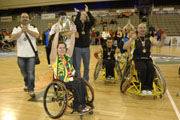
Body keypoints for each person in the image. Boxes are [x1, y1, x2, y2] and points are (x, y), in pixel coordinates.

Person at [50, 24, 90, 112]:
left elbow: (72, 44)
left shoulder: (67, 56)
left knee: (81, 81)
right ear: (57, 49)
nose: (62, 49)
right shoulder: (54, 58)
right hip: (61, 80)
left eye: (64, 48)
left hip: (69, 78)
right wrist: (57, 33)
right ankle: (77, 105)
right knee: (76, 83)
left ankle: (83, 102)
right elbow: (53, 46)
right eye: (60, 48)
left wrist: (73, 32)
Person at [123, 23, 166, 95]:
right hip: (137, 59)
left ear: (146, 29)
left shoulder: (150, 38)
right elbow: (124, 47)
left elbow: (159, 45)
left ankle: (149, 88)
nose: (142, 29)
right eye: (140, 28)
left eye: (144, 28)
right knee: (143, 68)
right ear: (137, 29)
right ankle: (143, 87)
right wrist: (131, 39)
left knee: (151, 68)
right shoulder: (134, 38)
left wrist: (163, 39)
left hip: (147, 58)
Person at [10, 12, 39, 97]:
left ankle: (31, 89)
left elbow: (37, 36)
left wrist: (28, 31)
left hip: (31, 56)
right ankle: (27, 84)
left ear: (29, 19)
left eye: (26, 17)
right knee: (24, 73)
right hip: (20, 55)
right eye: (23, 17)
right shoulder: (16, 28)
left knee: (30, 73)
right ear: (20, 19)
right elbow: (12, 38)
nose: (25, 18)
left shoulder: (33, 27)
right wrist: (21, 31)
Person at [73, 4, 95, 81]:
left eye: (84, 15)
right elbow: (75, 22)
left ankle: (86, 80)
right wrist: (78, 13)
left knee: (86, 66)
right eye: (82, 14)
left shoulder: (88, 24)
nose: (83, 15)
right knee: (77, 66)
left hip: (86, 48)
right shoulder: (77, 24)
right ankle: (79, 80)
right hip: (77, 48)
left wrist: (87, 12)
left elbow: (92, 20)